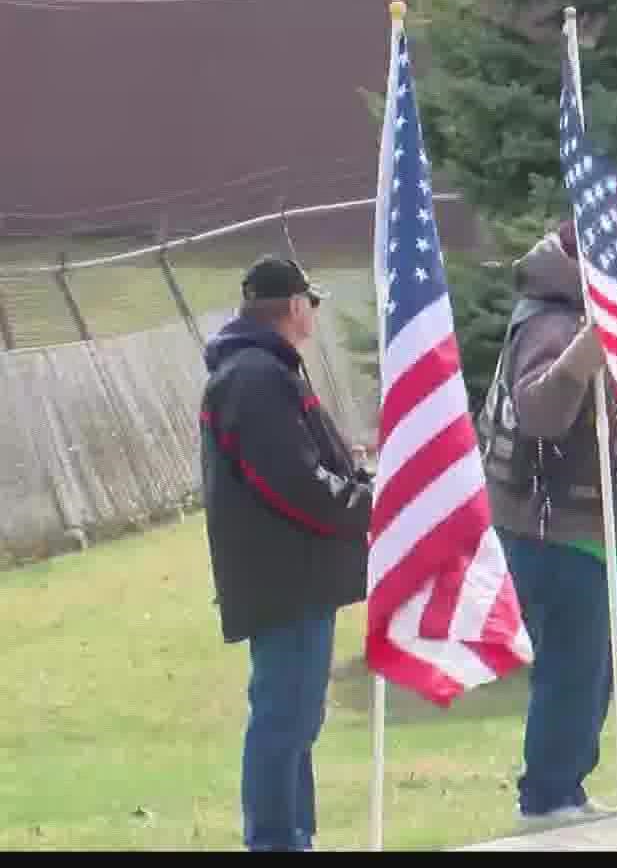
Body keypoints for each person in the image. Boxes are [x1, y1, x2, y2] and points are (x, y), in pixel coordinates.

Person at [479, 222, 617, 829]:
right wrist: (581, 357)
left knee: (591, 666)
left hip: (588, 528)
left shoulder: (578, 315)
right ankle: (547, 798)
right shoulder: (552, 324)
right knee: (571, 664)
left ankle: (567, 787)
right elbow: (537, 411)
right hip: (554, 527)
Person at [199, 256, 371, 852]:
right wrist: (366, 504)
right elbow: (291, 483)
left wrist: (355, 474)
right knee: (284, 718)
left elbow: (303, 465)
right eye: (310, 303)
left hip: (292, 574)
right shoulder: (256, 376)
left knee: (296, 718)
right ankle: (275, 840)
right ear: (294, 306)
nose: (314, 313)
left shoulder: (262, 370)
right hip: (285, 576)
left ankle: (294, 835)